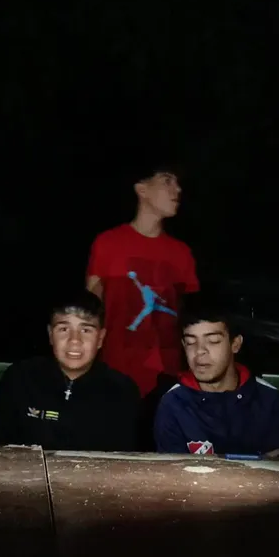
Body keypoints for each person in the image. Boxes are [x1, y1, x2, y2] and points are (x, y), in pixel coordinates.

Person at [86, 160, 199, 400]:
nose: (177, 189)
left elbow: (190, 316)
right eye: (167, 181)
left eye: (177, 183)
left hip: (168, 378)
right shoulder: (108, 243)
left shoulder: (182, 253)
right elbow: (90, 310)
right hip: (115, 374)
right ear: (142, 189)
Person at [0, 291, 141, 451]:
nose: (74, 340)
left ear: (100, 338)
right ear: (50, 335)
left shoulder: (122, 392)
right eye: (64, 329)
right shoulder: (19, 380)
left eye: (86, 330)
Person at [154, 292, 279, 455]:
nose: (199, 351)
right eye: (190, 342)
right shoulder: (173, 404)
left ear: (235, 344)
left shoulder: (271, 402)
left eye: (213, 341)